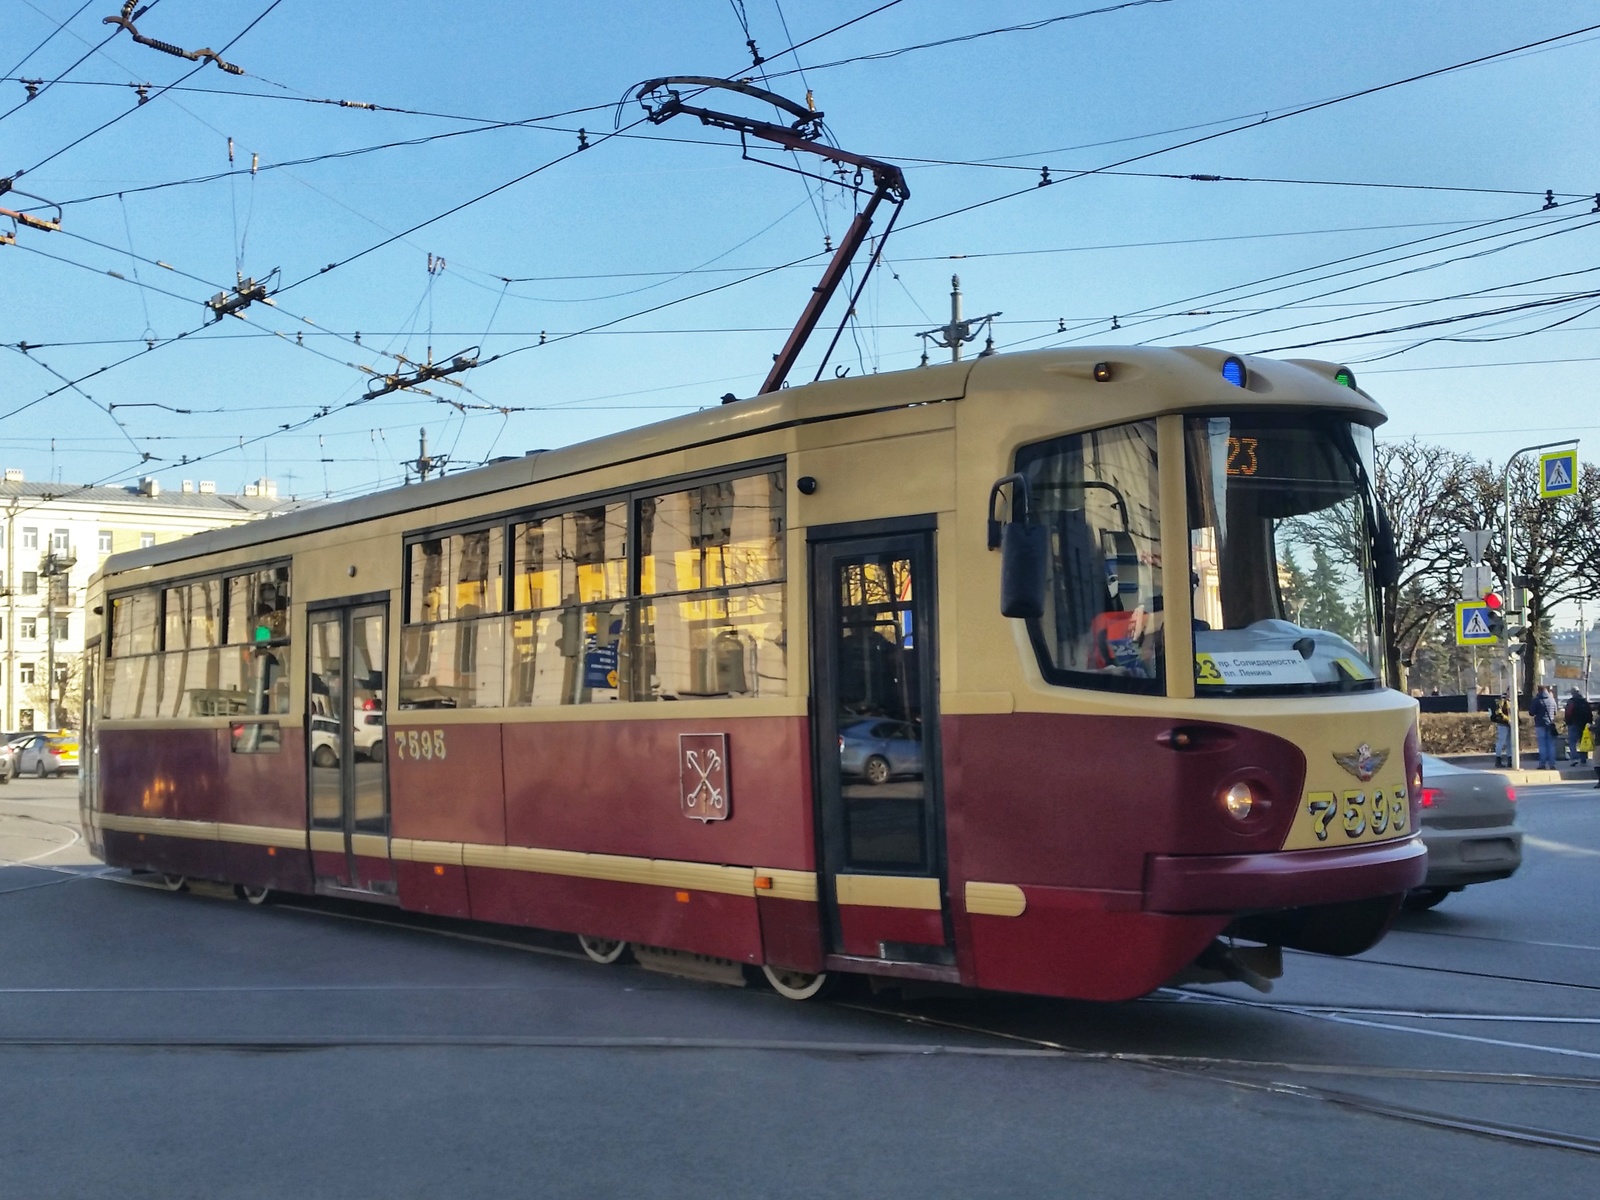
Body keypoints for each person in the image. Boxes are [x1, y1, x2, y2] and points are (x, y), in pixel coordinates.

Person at [1531, 685, 1559, 771]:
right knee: (1550, 745)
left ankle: (1542, 764)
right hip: (1550, 724)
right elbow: (1555, 712)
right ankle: (1552, 764)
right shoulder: (1551, 699)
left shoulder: (1537, 700)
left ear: (1539, 691)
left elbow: (1531, 712)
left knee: (1542, 745)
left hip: (1540, 724)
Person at [1564, 687, 1592, 766]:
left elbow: (1568, 713)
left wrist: (1567, 721)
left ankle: (1574, 758)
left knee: (1572, 741)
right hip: (1584, 724)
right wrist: (1589, 722)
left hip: (1573, 724)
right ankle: (1583, 759)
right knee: (1583, 741)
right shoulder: (1584, 701)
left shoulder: (1571, 702)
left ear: (1572, 693)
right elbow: (1589, 713)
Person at [1489, 691, 1511, 767]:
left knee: (1510, 743)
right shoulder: (1502, 700)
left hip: (1511, 725)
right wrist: (1508, 719)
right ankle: (1498, 760)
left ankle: (1510, 760)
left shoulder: (1512, 700)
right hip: (1503, 724)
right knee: (1501, 742)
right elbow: (1499, 712)